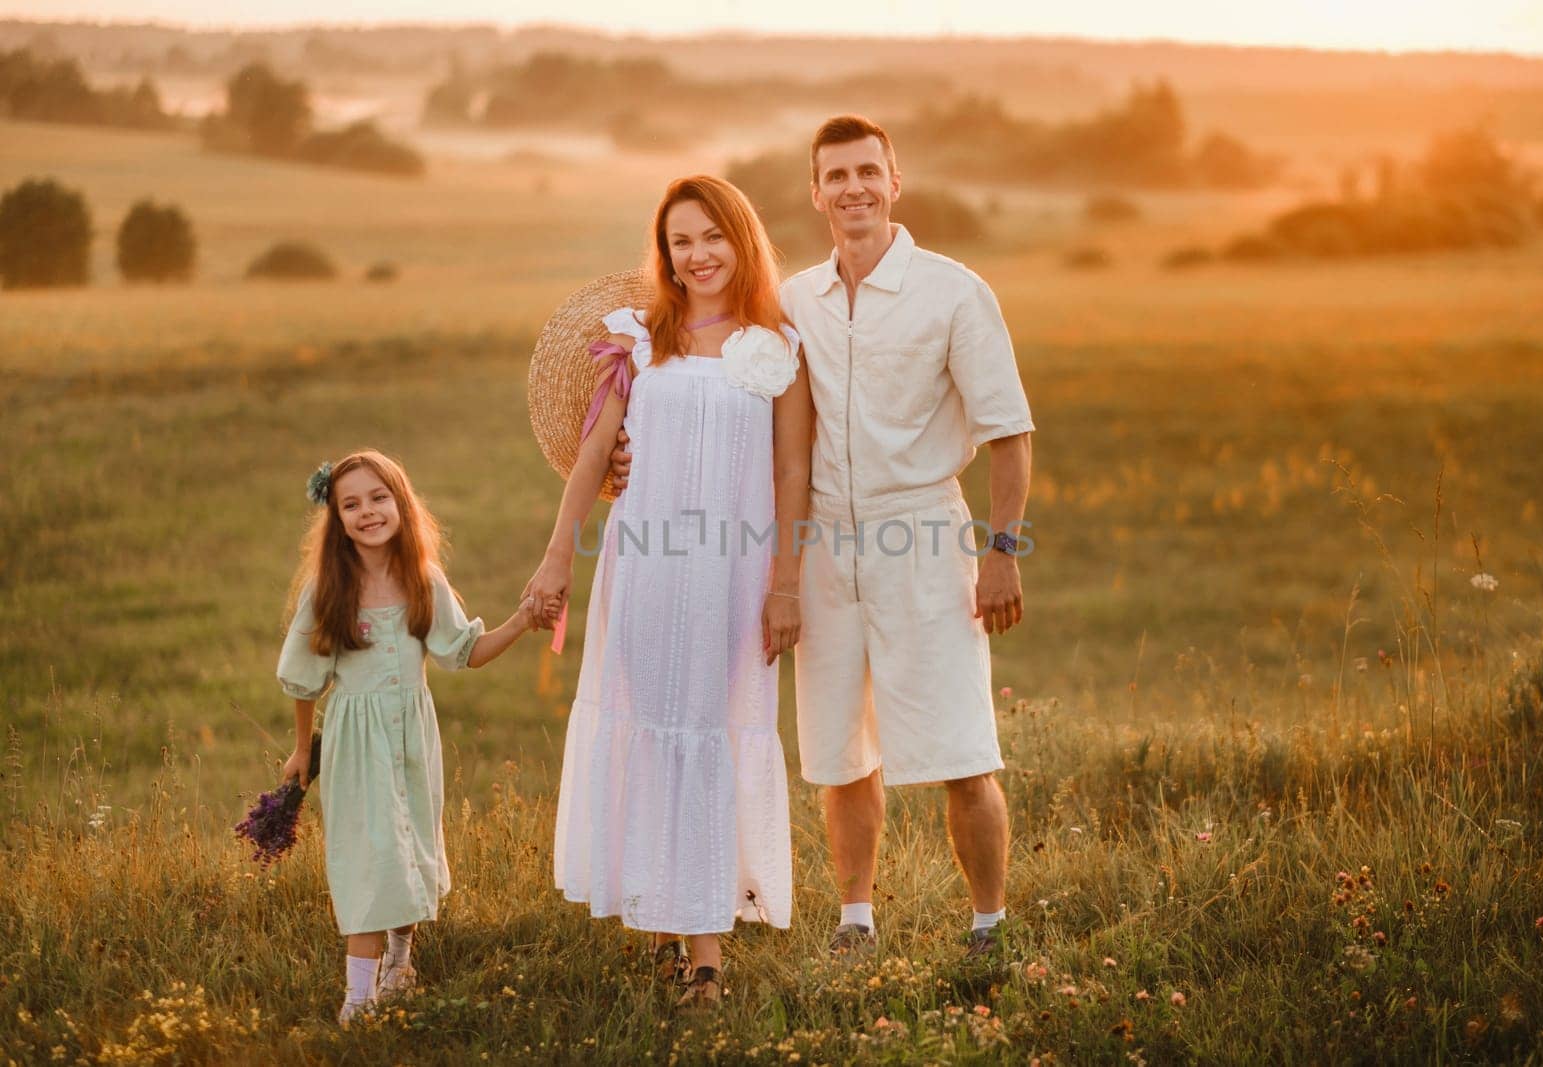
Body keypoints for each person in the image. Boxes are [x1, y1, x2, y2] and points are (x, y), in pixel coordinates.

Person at [611, 116, 1034, 960]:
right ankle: (855, 919)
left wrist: (1002, 551)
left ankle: (987, 924)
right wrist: (629, 449)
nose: (854, 189)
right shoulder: (790, 302)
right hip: (818, 544)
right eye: (836, 176)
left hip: (923, 531)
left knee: (961, 746)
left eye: (867, 172)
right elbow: (705, 383)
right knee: (839, 750)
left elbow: (1010, 431)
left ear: (894, 180)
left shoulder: (954, 291)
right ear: (815, 192)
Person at [525, 175, 813, 1008]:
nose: (699, 254)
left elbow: (792, 470)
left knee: (710, 735)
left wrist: (785, 583)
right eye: (682, 240)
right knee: (653, 729)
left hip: (734, 575)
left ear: (742, 240)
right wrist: (556, 559)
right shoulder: (639, 340)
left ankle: (708, 959)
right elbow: (595, 458)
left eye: (714, 235)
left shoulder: (775, 344)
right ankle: (665, 916)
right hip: (646, 570)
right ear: (666, 254)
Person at [276, 449, 537, 1026]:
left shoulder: (423, 579)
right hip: (356, 740)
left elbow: (463, 652)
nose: (367, 511)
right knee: (370, 857)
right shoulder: (327, 589)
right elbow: (302, 677)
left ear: (401, 501)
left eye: (378, 497)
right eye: (351, 504)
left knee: (411, 841)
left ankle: (401, 958)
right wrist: (301, 748)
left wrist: (519, 621)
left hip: (413, 735)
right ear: (337, 520)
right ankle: (359, 999)